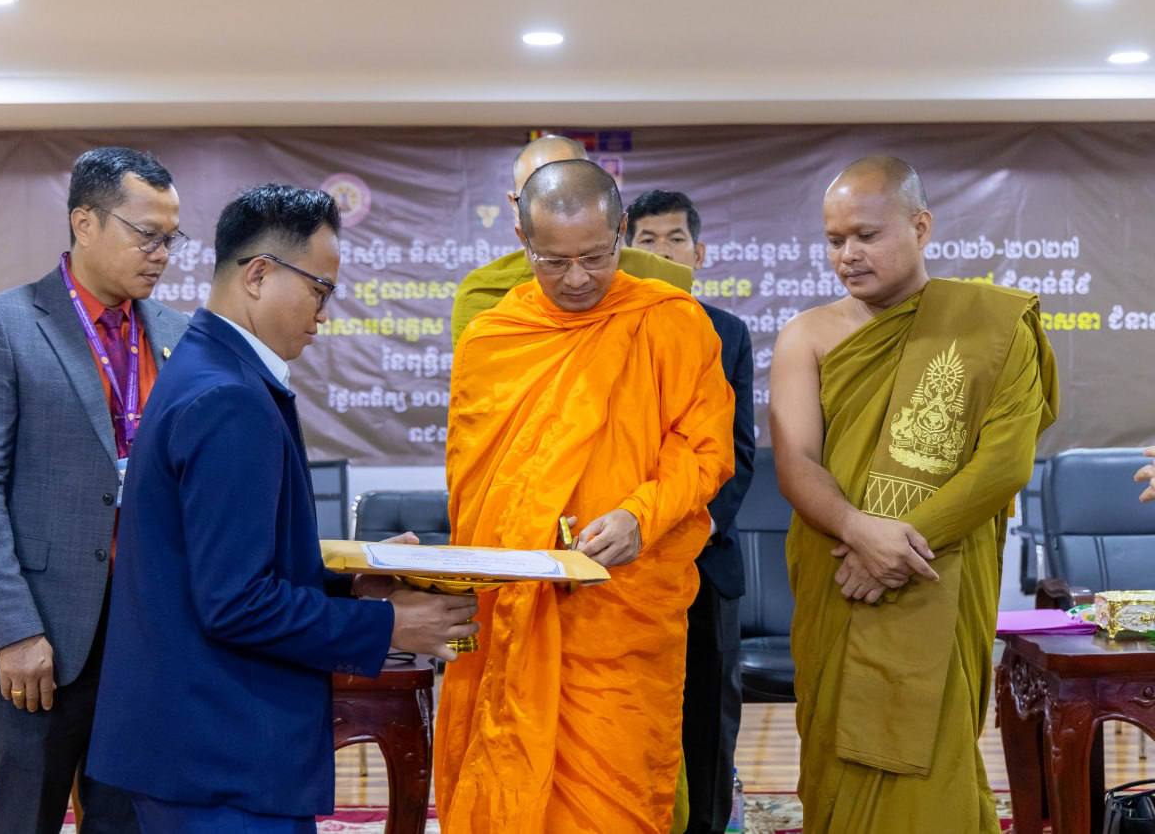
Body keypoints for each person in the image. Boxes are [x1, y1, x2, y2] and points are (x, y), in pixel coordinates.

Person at [86, 183, 477, 832]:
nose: (324, 312)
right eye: (320, 289)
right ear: (259, 274)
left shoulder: (206, 366)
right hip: (222, 754)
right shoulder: (228, 398)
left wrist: (351, 584)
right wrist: (386, 625)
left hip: (197, 745)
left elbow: (217, 564)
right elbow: (236, 601)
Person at [436, 160, 735, 832]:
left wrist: (639, 515)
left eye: (596, 257)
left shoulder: (672, 323)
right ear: (522, 239)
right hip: (513, 614)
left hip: (621, 616)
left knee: (616, 797)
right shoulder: (493, 341)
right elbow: (472, 487)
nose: (576, 279)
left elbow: (704, 450)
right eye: (553, 261)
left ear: (621, 230)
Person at [770, 156, 1058, 832]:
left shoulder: (992, 325)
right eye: (835, 239)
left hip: (938, 573)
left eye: (866, 235)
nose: (848, 254)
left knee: (935, 757)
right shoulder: (806, 334)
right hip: (838, 570)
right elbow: (796, 462)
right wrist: (860, 532)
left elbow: (1004, 464)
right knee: (837, 758)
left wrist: (895, 549)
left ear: (920, 226)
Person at [0, 147, 188, 833]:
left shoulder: (177, 334)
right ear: (85, 222)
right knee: (26, 816)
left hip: (147, 629)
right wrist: (14, 630)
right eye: (147, 235)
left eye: (171, 238)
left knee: (129, 818)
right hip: (42, 634)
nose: (162, 255)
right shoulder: (2, 324)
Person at [627, 188, 756, 834]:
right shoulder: (610, 327)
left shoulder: (727, 333)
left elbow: (738, 453)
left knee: (707, 721)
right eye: (645, 241)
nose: (662, 253)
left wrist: (685, 533)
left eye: (674, 239)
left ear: (699, 253)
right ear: (624, 251)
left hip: (702, 562)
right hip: (622, 563)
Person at [450, 134, 694, 345]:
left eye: (575, 188)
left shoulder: (659, 279)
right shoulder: (484, 294)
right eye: (538, 193)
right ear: (515, 205)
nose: (560, 204)